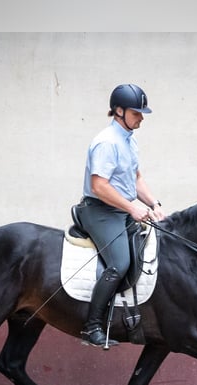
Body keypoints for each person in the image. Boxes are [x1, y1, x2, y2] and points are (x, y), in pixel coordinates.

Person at [78, 83, 166, 348]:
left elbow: (135, 178)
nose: (141, 118)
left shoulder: (129, 140)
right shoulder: (107, 143)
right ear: (119, 111)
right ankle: (91, 327)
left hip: (121, 210)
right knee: (120, 263)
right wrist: (132, 208)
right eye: (136, 113)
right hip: (100, 211)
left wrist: (154, 203)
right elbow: (99, 186)